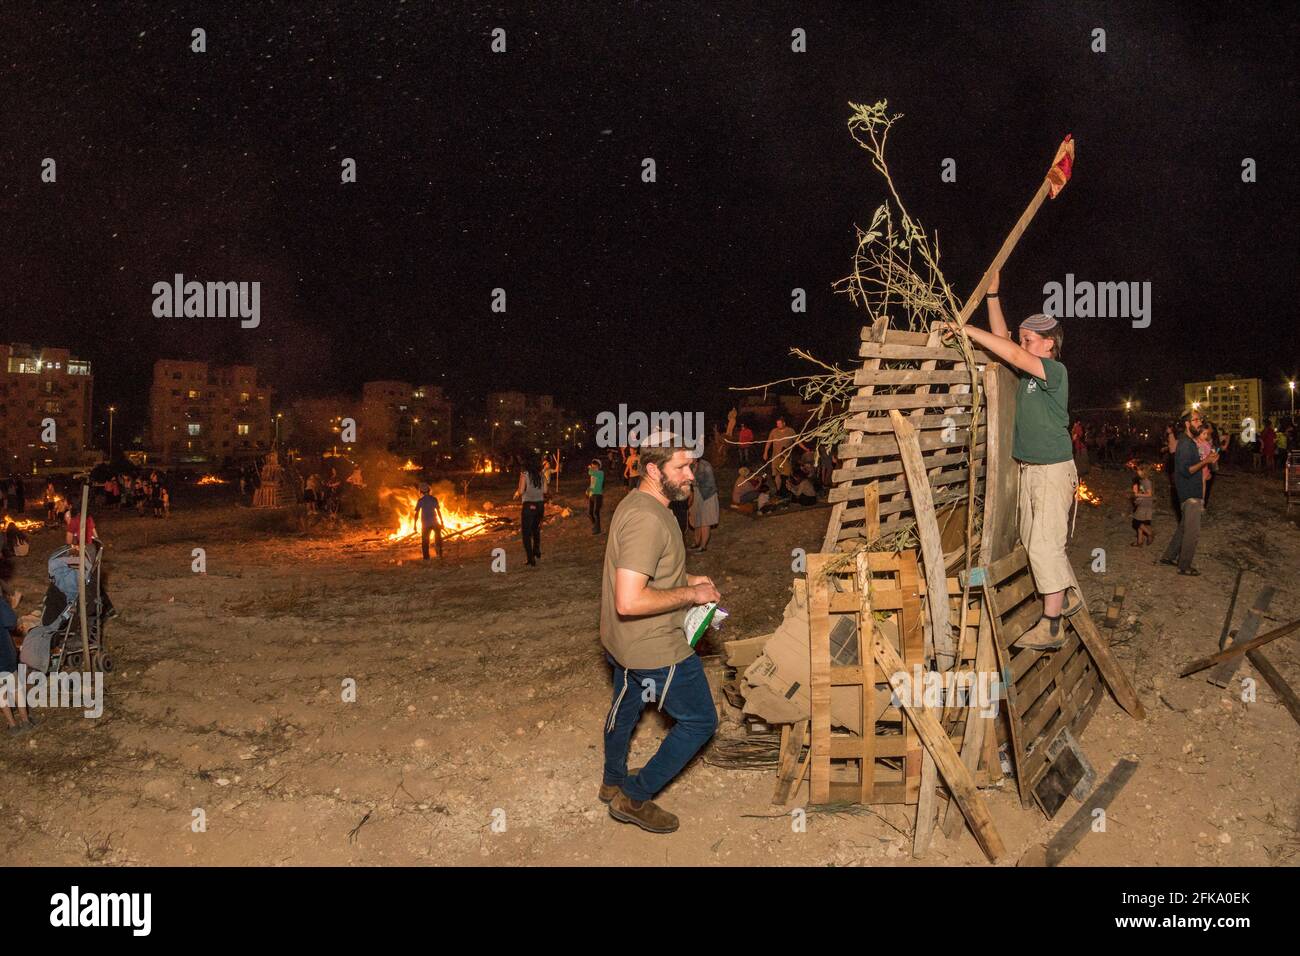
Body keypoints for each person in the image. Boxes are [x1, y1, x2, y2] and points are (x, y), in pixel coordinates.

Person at [950, 270, 1081, 651]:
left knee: (1044, 546)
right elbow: (1004, 343)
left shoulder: (1055, 372)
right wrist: (993, 296)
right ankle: (1067, 594)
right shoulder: (1027, 377)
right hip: (1030, 471)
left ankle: (1051, 624)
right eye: (1022, 341)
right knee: (1033, 538)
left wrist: (966, 329)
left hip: (1054, 471)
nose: (1020, 346)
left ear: (1048, 345)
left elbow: (1008, 349)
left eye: (1029, 341)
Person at [598, 431, 720, 834]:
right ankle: (633, 795)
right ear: (653, 469)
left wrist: (687, 578)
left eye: (691, 465)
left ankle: (612, 779)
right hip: (654, 646)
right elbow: (629, 600)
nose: (691, 474)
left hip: (624, 642)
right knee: (700, 721)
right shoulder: (648, 518)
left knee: (626, 706)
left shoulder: (641, 502)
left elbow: (648, 571)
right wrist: (690, 593)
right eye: (681, 467)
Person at [1160, 414, 1218, 575]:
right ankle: (1184, 566)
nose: (1200, 423)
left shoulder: (1189, 442)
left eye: (1200, 420)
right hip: (1190, 493)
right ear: (1187, 424)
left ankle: (1168, 556)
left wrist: (1207, 460)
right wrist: (1206, 461)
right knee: (1192, 532)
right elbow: (1186, 470)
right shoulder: (1186, 444)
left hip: (1191, 490)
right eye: (1196, 420)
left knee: (1185, 527)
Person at [513, 454, 545, 566]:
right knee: (535, 529)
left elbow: (521, 491)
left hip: (529, 506)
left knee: (526, 534)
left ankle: (530, 558)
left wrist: (517, 493)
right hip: (540, 505)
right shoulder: (541, 475)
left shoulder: (524, 474)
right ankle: (537, 550)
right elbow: (545, 490)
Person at [687, 454, 719, 552]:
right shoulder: (690, 465)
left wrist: (694, 483)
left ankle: (703, 546)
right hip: (696, 493)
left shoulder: (705, 466)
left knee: (705, 521)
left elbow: (710, 484)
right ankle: (696, 542)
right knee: (696, 519)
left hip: (707, 495)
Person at [763, 417, 804, 494]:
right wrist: (765, 452)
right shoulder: (774, 431)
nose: (777, 425)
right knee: (776, 474)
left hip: (786, 458)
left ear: (784, 423)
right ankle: (778, 490)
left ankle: (787, 490)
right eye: (777, 424)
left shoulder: (790, 431)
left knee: (786, 475)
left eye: (779, 424)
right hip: (775, 457)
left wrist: (805, 448)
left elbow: (797, 441)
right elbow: (768, 442)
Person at [414, 483, 444, 560]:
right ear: (429, 490)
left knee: (425, 542)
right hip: (435, 523)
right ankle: (439, 555)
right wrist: (442, 522)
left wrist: (414, 525)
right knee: (438, 540)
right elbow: (438, 511)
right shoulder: (434, 499)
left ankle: (426, 558)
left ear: (421, 492)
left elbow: (416, 513)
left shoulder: (420, 501)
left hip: (425, 525)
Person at [1131, 462, 1154, 547]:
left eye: (1139, 470)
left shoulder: (1147, 482)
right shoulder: (1142, 480)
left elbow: (1149, 494)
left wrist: (1137, 495)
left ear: (1143, 471)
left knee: (1136, 522)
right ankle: (1139, 541)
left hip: (1145, 505)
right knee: (1140, 523)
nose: (1137, 472)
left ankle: (1150, 533)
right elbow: (1142, 491)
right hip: (1142, 503)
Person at [586, 458, 605, 535]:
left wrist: (590, 469)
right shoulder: (593, 474)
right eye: (592, 465)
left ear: (598, 466)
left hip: (598, 495)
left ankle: (598, 530)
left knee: (595, 512)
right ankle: (595, 525)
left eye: (595, 465)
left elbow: (590, 472)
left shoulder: (600, 473)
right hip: (592, 495)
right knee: (590, 513)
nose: (593, 467)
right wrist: (588, 490)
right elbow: (592, 484)